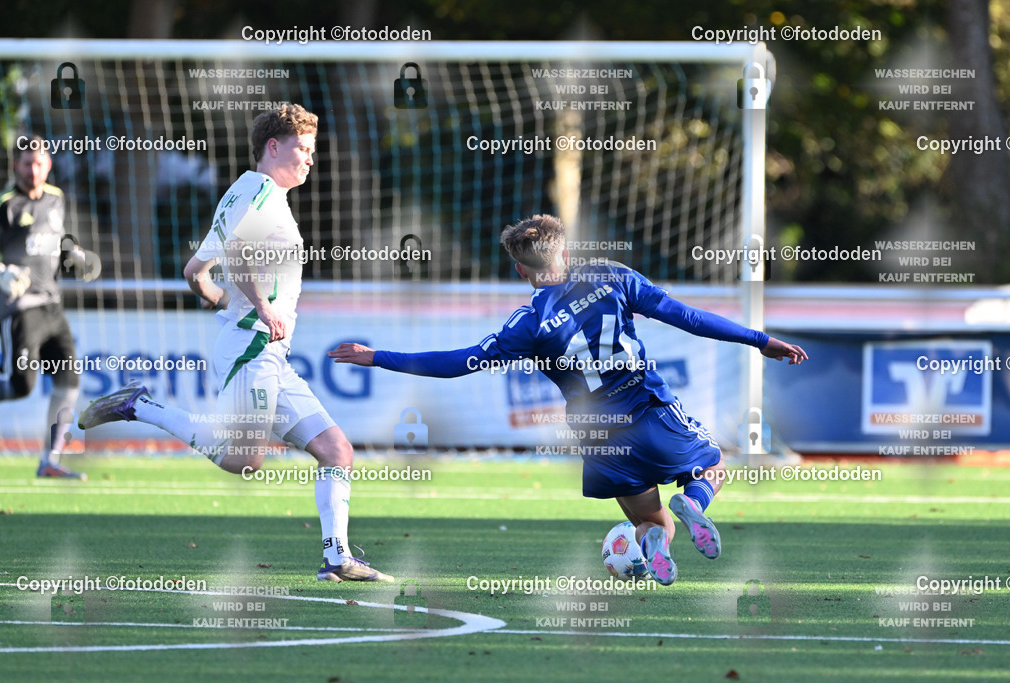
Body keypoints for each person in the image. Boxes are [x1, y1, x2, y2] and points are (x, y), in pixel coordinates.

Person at [328, 214, 807, 586]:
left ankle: (653, 545)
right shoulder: (611, 276)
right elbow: (687, 317)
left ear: (521, 269)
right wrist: (760, 340)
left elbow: (460, 361)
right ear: (566, 252)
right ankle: (695, 500)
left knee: (648, 517)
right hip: (646, 406)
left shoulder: (528, 322)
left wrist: (377, 357)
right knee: (713, 466)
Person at [78, 104, 392, 583]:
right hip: (252, 346)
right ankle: (140, 407)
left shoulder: (243, 193)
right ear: (273, 147)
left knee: (336, 450)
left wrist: (221, 298)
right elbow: (238, 256)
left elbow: (194, 273)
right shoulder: (261, 193)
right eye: (303, 149)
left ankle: (337, 556)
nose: (310, 159)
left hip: (266, 350)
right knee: (244, 459)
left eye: (312, 151)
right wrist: (261, 308)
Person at [0, 137, 101, 479]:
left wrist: (74, 256)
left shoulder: (56, 198)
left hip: (52, 306)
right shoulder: (4, 205)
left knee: (69, 381)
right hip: (19, 308)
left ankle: (50, 460)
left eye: (38, 163)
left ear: (48, 165)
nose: (33, 170)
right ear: (16, 167)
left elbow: (59, 243)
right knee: (22, 385)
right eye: (26, 164)